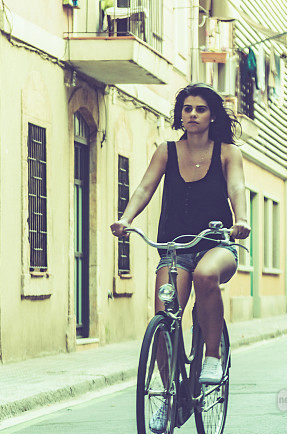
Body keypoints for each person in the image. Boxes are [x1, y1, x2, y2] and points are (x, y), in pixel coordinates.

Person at [110, 83, 250, 394]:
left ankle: (213, 356)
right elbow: (145, 188)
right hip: (174, 249)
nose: (193, 114)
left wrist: (241, 220)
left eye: (200, 109)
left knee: (205, 275)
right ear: (180, 115)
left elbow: (237, 188)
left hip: (217, 244)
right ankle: (167, 393)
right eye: (187, 109)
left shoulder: (228, 153)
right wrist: (125, 219)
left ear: (212, 115)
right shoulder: (167, 151)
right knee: (164, 315)